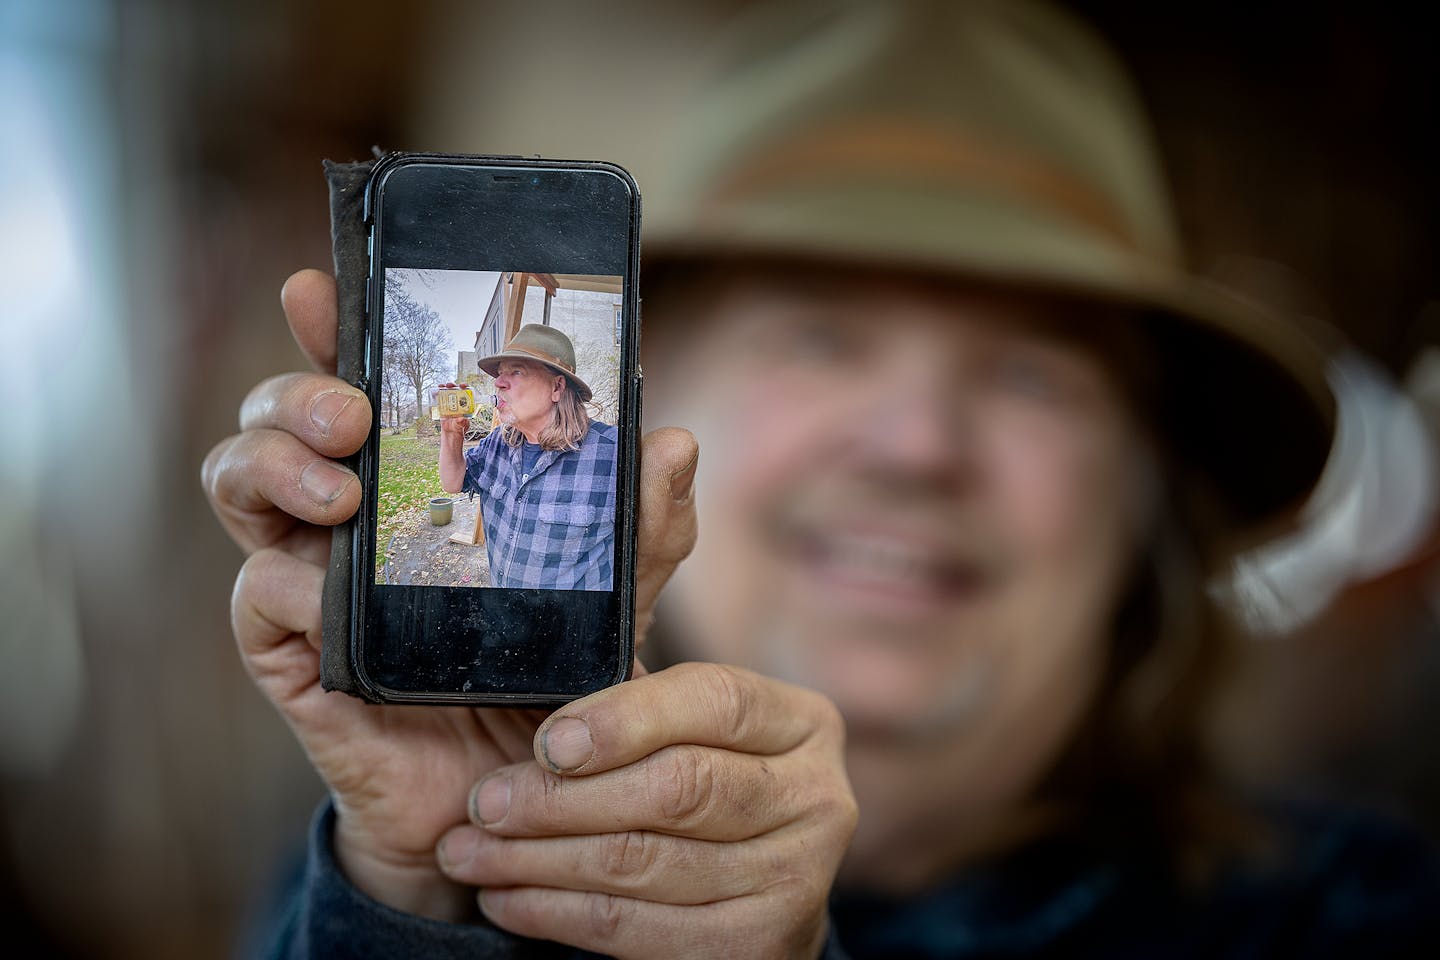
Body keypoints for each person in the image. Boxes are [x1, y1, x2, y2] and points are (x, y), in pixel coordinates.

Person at [203, 1, 1440, 957]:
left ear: (1145, 492)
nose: (916, 446)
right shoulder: (361, 889)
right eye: (821, 339)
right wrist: (434, 907)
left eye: (1031, 375)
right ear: (649, 418)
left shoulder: (1357, 919)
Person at [438, 323, 618, 590]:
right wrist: (451, 435)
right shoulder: (498, 442)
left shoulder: (613, 452)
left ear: (557, 387)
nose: (498, 383)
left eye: (517, 371)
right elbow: (452, 482)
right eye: (499, 374)